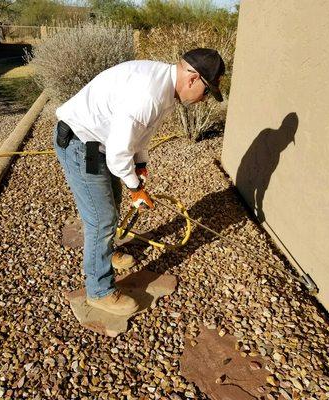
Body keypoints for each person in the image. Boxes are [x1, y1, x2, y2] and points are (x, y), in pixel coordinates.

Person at [54, 48, 226, 316]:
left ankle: (105, 252)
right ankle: (99, 291)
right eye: (207, 92)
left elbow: (142, 132)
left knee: (111, 203)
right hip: (81, 144)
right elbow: (118, 154)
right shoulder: (149, 94)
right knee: (101, 218)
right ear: (193, 79)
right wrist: (135, 188)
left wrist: (141, 164)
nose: (204, 100)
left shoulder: (165, 87)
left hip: (99, 142)